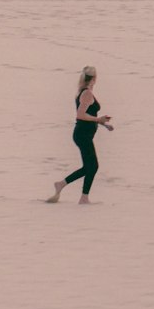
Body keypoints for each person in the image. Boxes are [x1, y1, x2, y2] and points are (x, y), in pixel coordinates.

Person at [46, 66, 113, 205]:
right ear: (94, 78)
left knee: (89, 166)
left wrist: (103, 124)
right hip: (82, 134)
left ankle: (66, 187)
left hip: (83, 134)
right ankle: (81, 196)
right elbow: (80, 115)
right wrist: (98, 120)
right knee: (92, 166)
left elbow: (88, 114)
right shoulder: (87, 93)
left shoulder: (83, 91)